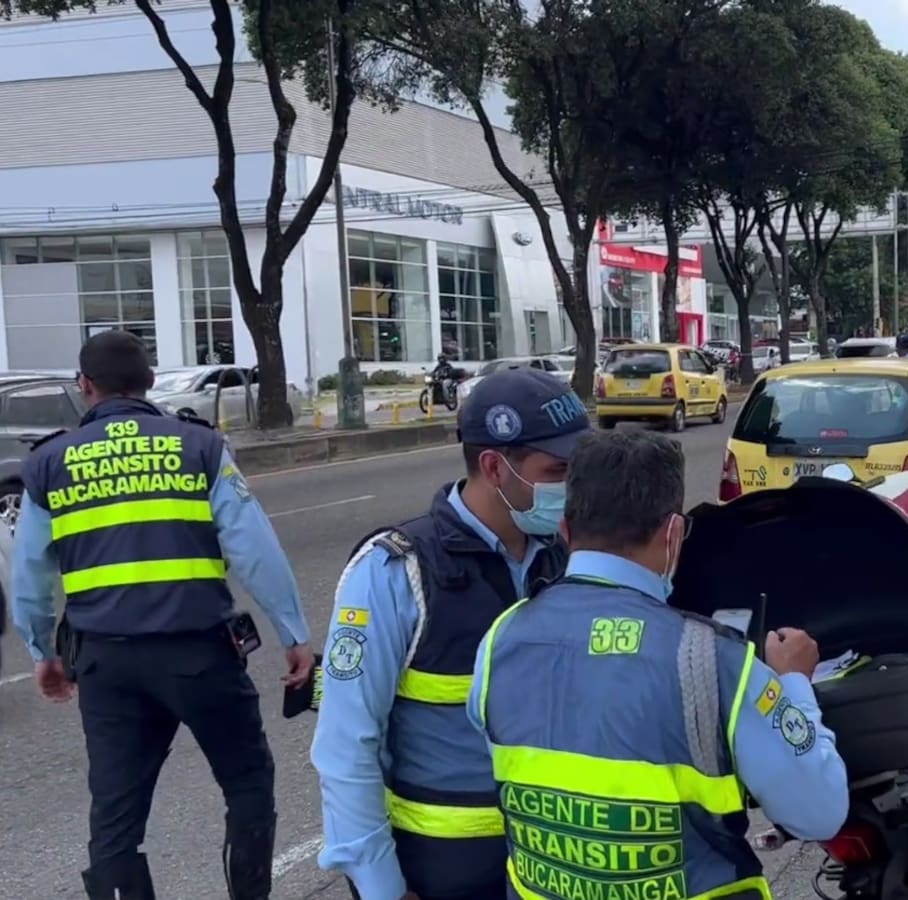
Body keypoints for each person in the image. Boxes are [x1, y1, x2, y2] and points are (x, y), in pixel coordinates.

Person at [468, 430, 849, 900]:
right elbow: (819, 811)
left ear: (564, 530)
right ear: (673, 533)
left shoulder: (501, 639)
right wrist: (792, 682)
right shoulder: (712, 659)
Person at [10, 330, 312, 900]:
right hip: (200, 656)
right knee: (247, 782)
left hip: (106, 664)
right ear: (150, 381)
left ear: (84, 387)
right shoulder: (197, 447)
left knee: (116, 815)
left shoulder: (49, 464)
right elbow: (254, 549)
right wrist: (292, 633)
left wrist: (40, 652)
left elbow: (27, 575)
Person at [311, 366, 590, 900]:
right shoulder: (396, 570)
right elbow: (345, 745)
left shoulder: (567, 559)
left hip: (555, 864)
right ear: (495, 466)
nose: (573, 486)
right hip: (443, 870)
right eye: (558, 469)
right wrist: (380, 887)